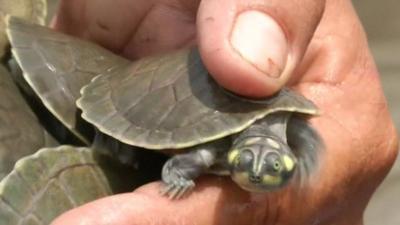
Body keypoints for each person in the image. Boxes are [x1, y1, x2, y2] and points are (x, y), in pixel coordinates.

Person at [51, 0, 398, 224]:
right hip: (142, 83)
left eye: (269, 167)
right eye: (249, 163)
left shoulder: (291, 126)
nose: (258, 173)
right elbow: (185, 161)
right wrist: (179, 174)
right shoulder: (211, 154)